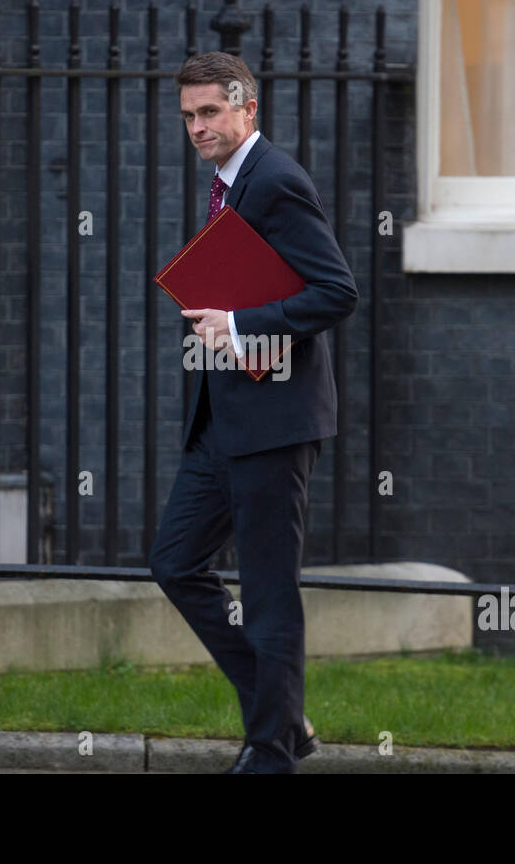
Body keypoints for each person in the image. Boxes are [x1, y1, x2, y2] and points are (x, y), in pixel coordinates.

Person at [148, 51, 359, 773]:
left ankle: (270, 751)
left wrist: (238, 327)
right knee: (175, 562)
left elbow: (337, 292)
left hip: (276, 424)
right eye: (188, 116)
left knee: (269, 594)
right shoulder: (226, 183)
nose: (198, 127)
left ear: (247, 109)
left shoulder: (276, 181)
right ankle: (284, 716)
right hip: (224, 422)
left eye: (210, 112)